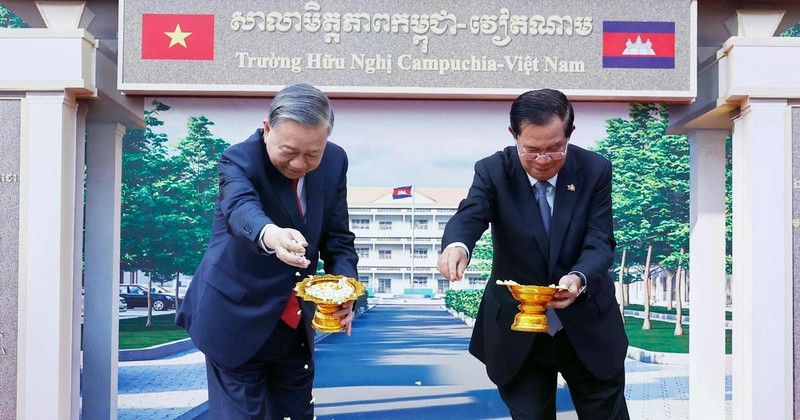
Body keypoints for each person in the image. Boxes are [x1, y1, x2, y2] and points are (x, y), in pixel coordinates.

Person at [438, 89, 629, 419]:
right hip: (518, 330)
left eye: (555, 149)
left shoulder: (595, 170)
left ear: (570, 133)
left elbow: (599, 241)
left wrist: (578, 278)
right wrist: (458, 246)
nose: (543, 160)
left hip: (587, 325)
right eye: (532, 150)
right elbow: (471, 213)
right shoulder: (493, 171)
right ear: (513, 135)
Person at [176, 83, 358, 419]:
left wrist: (345, 289)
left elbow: (338, 239)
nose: (300, 163)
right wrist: (271, 235)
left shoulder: (334, 161)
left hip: (293, 325)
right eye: (288, 151)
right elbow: (240, 208)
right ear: (266, 129)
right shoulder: (239, 159)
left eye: (312, 153)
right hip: (234, 318)